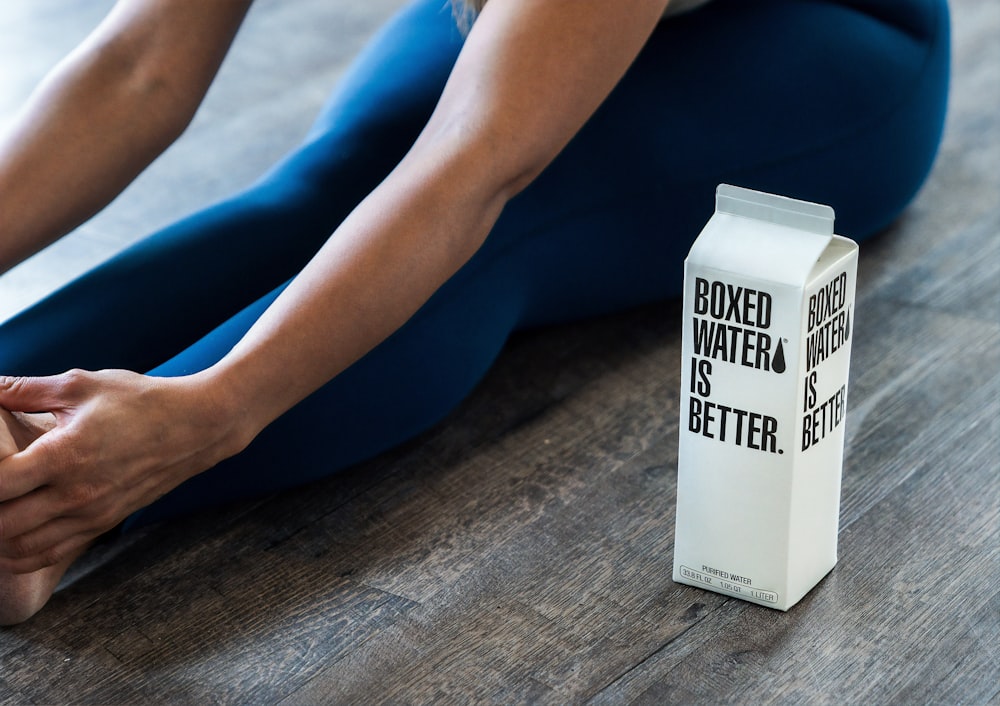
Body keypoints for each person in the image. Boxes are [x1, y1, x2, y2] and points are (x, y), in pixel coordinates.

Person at [0, 0, 949, 624]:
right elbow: (138, 68)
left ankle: (42, 512)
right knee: (325, 184)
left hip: (822, 40)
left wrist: (210, 412)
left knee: (493, 231)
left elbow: (477, 168)